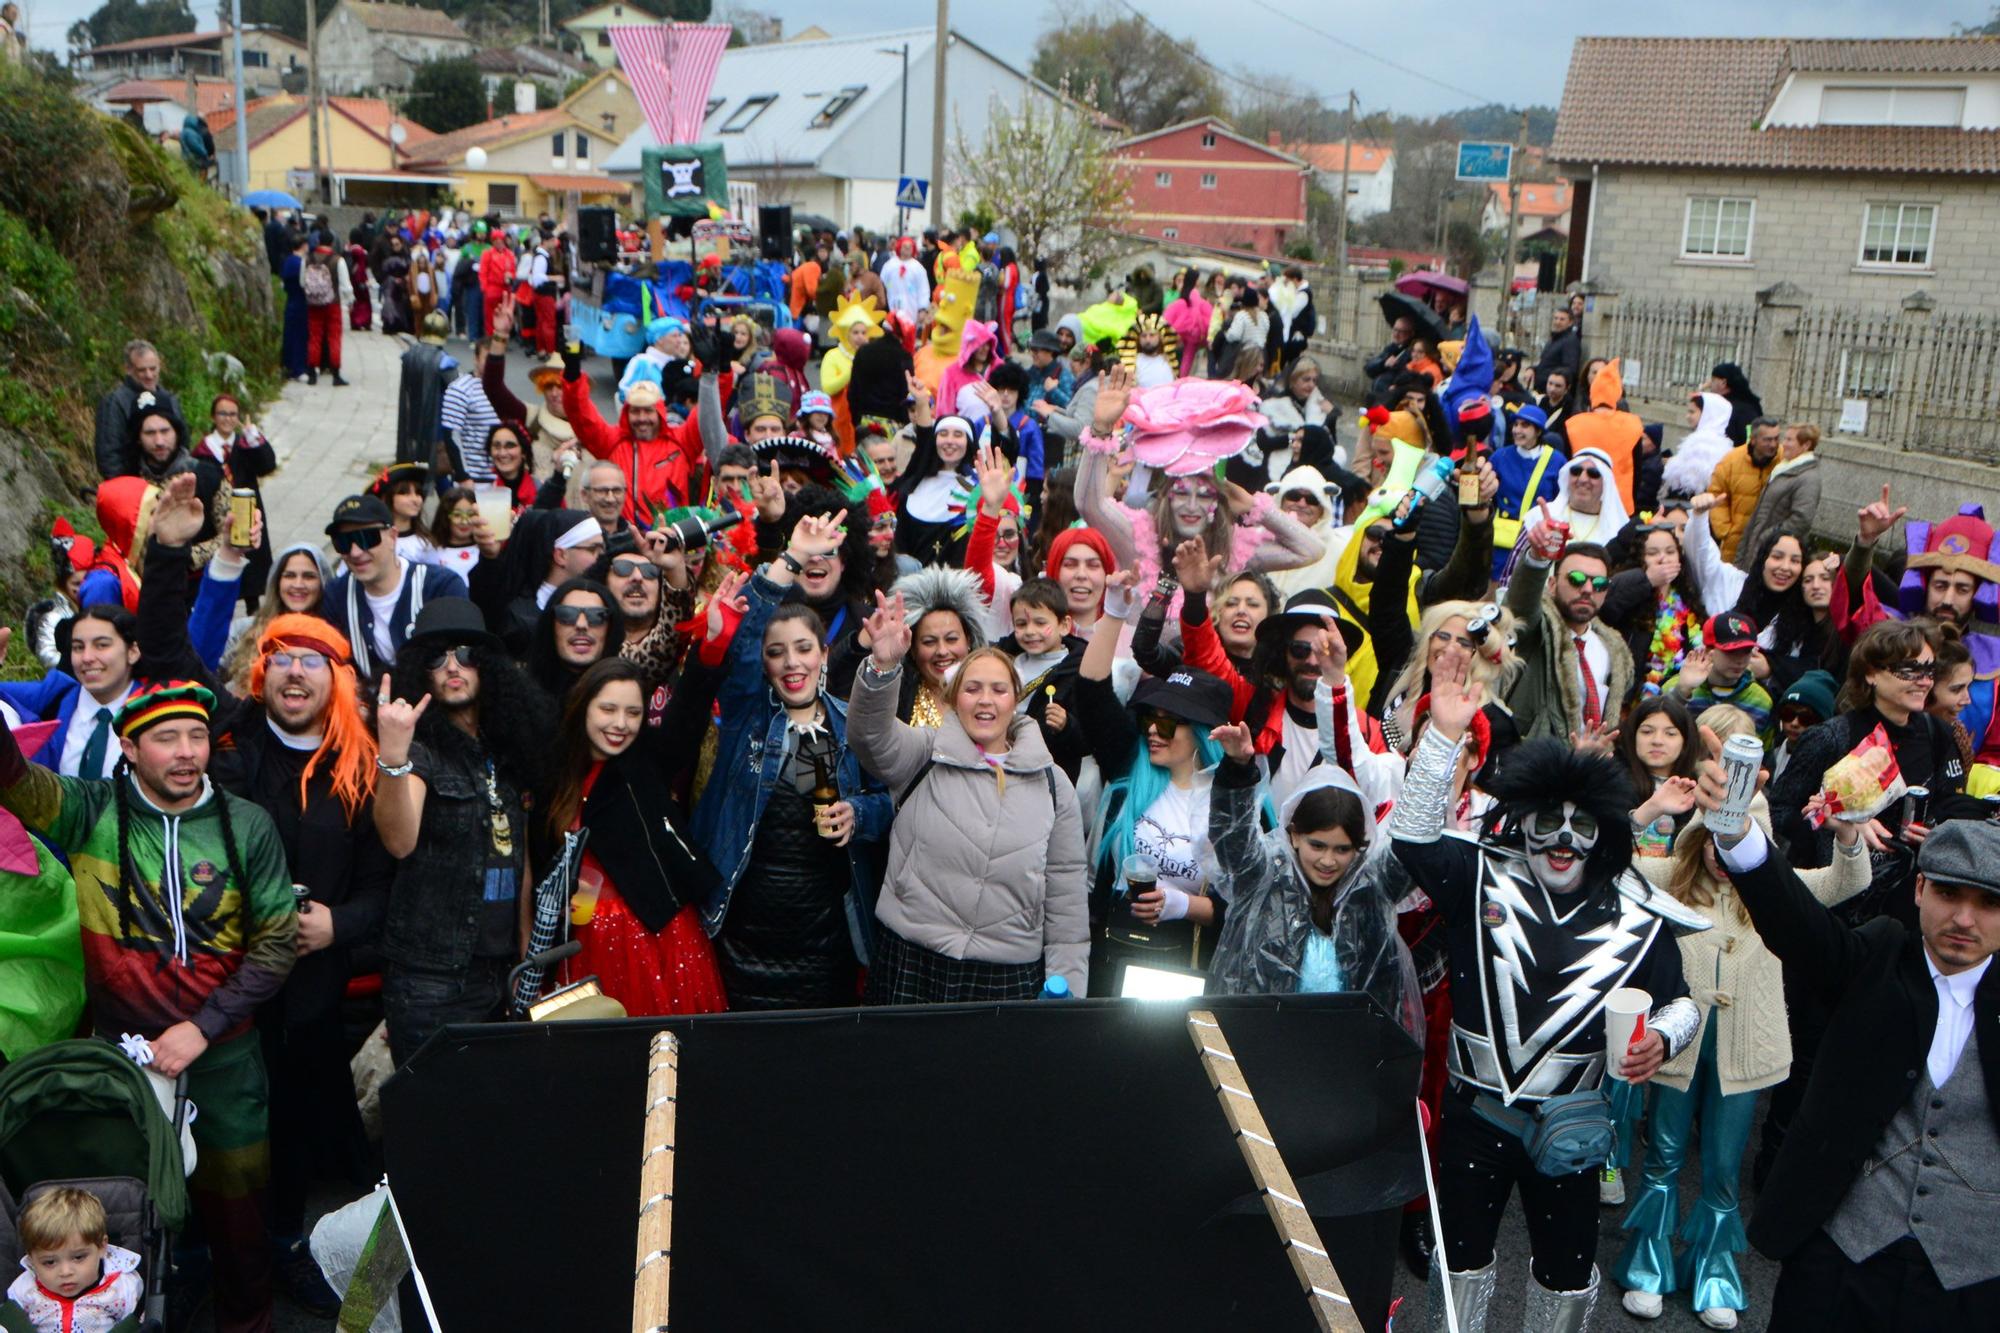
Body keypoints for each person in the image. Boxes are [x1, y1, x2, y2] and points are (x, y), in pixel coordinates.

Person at [1392, 679, 1703, 1333]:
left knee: (1566, 1273)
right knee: (1460, 1263)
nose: (1563, 838)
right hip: (1476, 1114)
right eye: (1547, 821)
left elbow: (1683, 1002)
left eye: (1580, 824)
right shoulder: (1478, 873)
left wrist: (1663, 1038)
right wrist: (1444, 736)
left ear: (1604, 831)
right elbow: (1414, 838)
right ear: (1522, 821)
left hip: (1573, 1123)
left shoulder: (1636, 914)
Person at [0, 680, 295, 1331]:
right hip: (122, 1065)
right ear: (129, 746)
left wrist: (202, 1026)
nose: (187, 752)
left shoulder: (248, 825)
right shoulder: (89, 812)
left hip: (226, 1062)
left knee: (240, 1223)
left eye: (196, 736)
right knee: (124, 1216)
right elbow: (13, 781)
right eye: (167, 737)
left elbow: (276, 944)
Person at [1693, 753, 2000, 1329]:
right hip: (1842, 1252)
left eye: (1988, 903)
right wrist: (1736, 834)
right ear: (1920, 891)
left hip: (1973, 1276)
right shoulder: (1879, 955)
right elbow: (1798, 926)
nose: (1964, 918)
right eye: (1949, 894)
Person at [1610, 788, 1866, 1330]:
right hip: (1677, 1047)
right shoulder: (1668, 880)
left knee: (1724, 1169)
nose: (1721, 859)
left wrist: (1848, 830)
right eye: (1712, 844)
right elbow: (1608, 863)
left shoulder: (1780, 890)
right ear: (1699, 837)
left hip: (1746, 1052)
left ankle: (1714, 1273)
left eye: (1736, 846)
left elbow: (1850, 881)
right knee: (1664, 1154)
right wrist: (1651, 809)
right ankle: (1647, 1267)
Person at [848, 590, 1088, 1001]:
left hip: (1006, 974)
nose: (985, 700)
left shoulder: (1053, 784)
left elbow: (1066, 898)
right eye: (973, 688)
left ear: (1016, 701)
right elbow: (869, 737)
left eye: (998, 689)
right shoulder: (925, 752)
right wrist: (883, 666)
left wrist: (1067, 991)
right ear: (955, 697)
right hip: (912, 957)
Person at [690, 526, 891, 1009]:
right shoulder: (747, 713)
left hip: (825, 941)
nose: (791, 663)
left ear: (825, 655)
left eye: (803, 649)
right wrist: (792, 559)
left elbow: (892, 802)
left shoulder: (850, 725)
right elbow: (745, 640)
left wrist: (858, 816)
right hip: (742, 934)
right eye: (776, 653)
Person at [372, 600, 552, 1064]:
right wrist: (392, 759)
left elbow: (521, 863)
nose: (453, 667)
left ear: (487, 666)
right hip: (432, 979)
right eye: (437, 656)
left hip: (502, 973)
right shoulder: (421, 751)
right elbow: (399, 840)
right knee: (435, 1122)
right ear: (421, 672)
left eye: (467, 653)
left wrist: (525, 961)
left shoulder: (508, 747)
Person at [536, 659, 725, 1017]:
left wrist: (711, 649)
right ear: (583, 707)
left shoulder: (646, 760)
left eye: (633, 713)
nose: (620, 724)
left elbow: (687, 717)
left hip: (654, 935)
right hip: (579, 940)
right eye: (608, 709)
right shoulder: (557, 773)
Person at [1070, 599, 1235, 991]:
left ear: (1201, 731)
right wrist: (1113, 610)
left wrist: (1182, 905)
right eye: (1149, 718)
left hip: (1186, 966)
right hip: (1113, 954)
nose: (1153, 731)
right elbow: (1091, 693)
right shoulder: (1132, 767)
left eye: (1167, 722)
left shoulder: (1234, 804)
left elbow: (1251, 908)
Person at [563, 341, 727, 527]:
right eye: (635, 411)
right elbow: (581, 416)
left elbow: (710, 412)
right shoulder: (611, 442)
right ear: (626, 413)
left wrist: (715, 371)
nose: (642, 418)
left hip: (670, 541)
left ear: (660, 412)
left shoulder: (682, 441)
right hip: (623, 541)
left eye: (648, 411)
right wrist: (572, 374)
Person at [1504, 523, 1633, 747]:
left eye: (1600, 584)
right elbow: (1520, 606)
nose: (1587, 589)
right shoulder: (1536, 630)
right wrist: (1537, 558)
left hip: (1591, 771)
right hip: (1535, 764)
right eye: (1576, 579)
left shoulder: (1614, 649)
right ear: (1552, 585)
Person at [7, 1187, 143, 1332]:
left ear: (102, 1247)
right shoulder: (25, 1290)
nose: (65, 1272)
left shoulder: (122, 1288)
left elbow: (138, 1324)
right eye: (49, 1262)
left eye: (78, 1257)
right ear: (32, 1259)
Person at [1664, 612, 1776, 742]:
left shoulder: (1761, 700)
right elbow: (1655, 730)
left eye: (1746, 651)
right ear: (1707, 651)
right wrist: (1682, 691)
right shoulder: (1677, 686)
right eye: (1731, 652)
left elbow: (1765, 757)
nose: (1740, 660)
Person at [1733, 422, 1822, 575]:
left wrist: (1768, 537)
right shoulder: (1785, 468)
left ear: (1806, 445)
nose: (1783, 444)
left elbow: (1802, 520)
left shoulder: (1808, 478)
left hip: (1773, 552)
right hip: (1758, 547)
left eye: (1789, 440)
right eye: (1785, 439)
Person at [94, 339, 184, 480]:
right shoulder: (114, 403)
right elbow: (108, 454)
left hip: (172, 482)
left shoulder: (169, 399)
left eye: (153, 369)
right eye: (142, 370)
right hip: (131, 484)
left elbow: (183, 443)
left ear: (160, 366)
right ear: (128, 369)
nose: (149, 375)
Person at [1704, 417, 1783, 564]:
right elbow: (1716, 494)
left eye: (1777, 439)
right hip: (1735, 541)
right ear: (1753, 440)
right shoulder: (1731, 461)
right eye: (1767, 440)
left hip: (1771, 540)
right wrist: (1725, 531)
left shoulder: (1784, 459)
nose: (1773, 445)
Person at [1706, 363, 1763, 446]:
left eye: (1713, 380)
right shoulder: (1747, 404)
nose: (1710, 384)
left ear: (1723, 383)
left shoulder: (1727, 407)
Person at [1533, 304, 1583, 392]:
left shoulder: (1570, 341)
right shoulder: (1554, 339)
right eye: (1556, 318)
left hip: (1554, 392)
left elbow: (1569, 369)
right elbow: (1546, 364)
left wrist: (1553, 383)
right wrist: (1532, 369)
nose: (1557, 322)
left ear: (1570, 322)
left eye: (1562, 319)